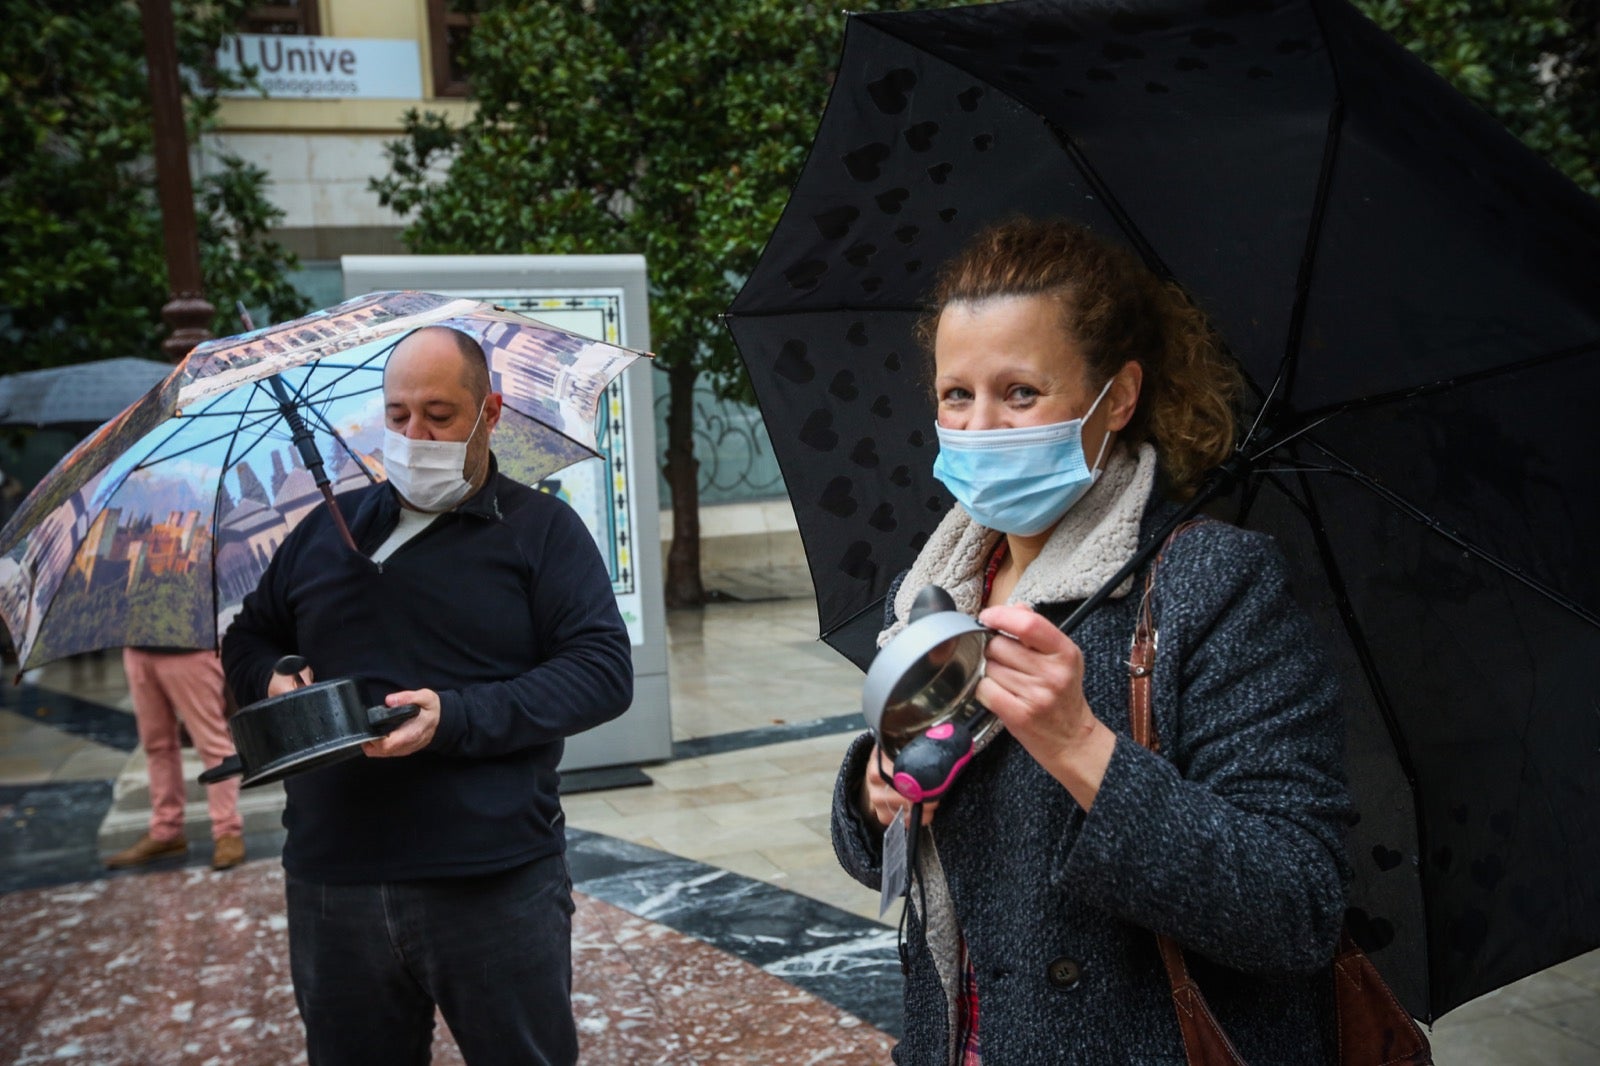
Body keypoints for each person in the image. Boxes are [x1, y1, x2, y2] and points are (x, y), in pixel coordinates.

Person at [829, 219, 1352, 1063]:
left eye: (1020, 393)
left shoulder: (1214, 585)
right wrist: (876, 792)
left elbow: (1297, 906)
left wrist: (1079, 746)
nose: (980, 427)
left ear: (1118, 397)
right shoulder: (938, 584)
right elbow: (911, 865)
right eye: (956, 395)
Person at [222, 326, 633, 1065]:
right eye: (398, 414)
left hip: (494, 879)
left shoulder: (541, 530)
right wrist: (272, 678)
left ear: (489, 413)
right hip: (333, 879)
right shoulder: (323, 533)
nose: (415, 435)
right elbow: (248, 638)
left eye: (440, 415)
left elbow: (601, 670)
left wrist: (456, 716)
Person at [105, 647, 245, 871]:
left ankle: (227, 832)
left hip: (191, 649)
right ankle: (166, 830)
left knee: (213, 745)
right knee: (156, 746)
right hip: (138, 650)